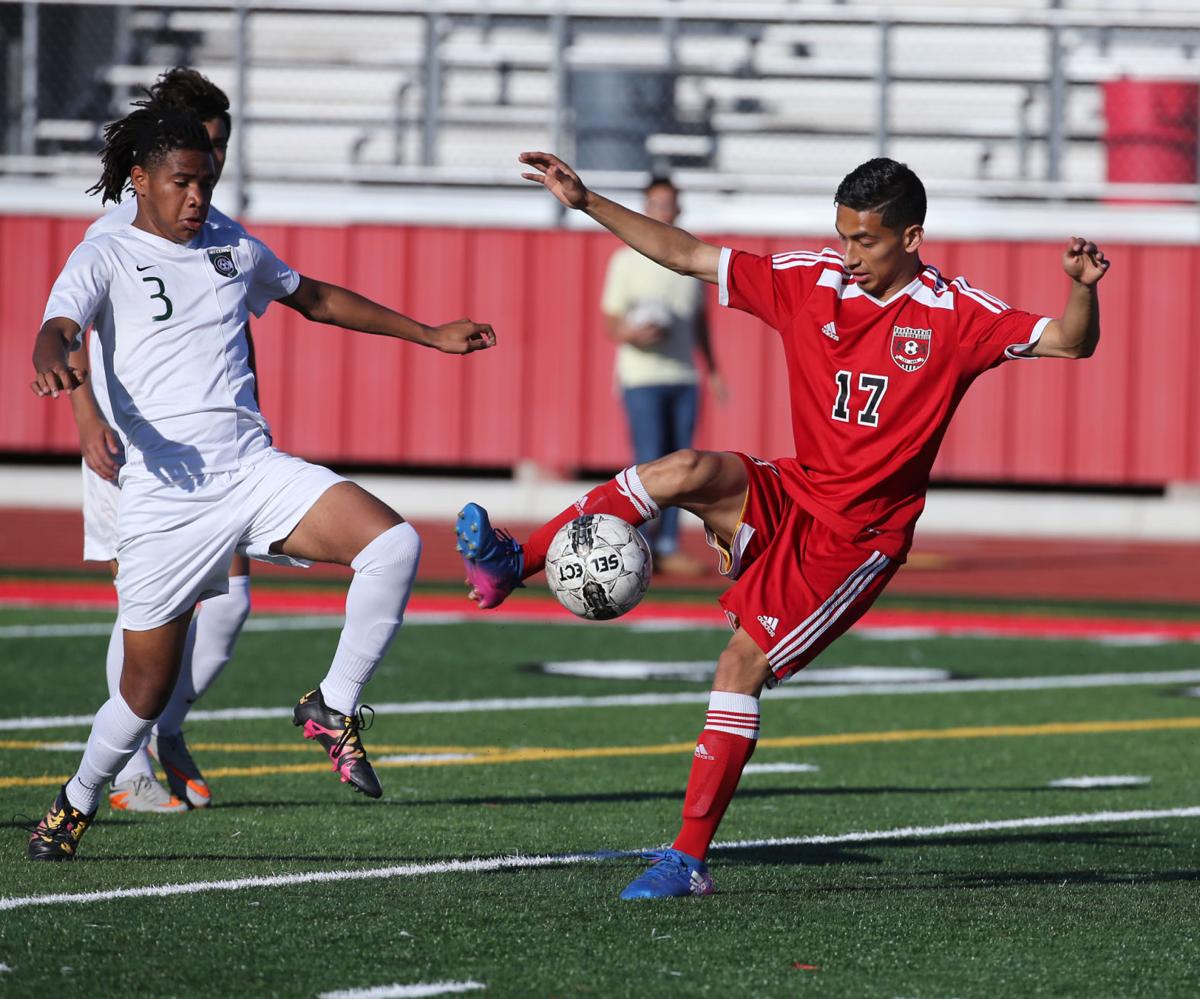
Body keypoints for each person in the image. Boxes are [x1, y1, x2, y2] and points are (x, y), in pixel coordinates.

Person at [457, 150, 1107, 899]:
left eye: (865, 241)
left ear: (911, 238)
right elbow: (688, 255)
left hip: (854, 539)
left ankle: (687, 860)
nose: (848, 255)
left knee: (739, 667)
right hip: (794, 489)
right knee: (683, 468)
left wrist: (1080, 287)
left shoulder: (955, 314)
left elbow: (1071, 340)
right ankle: (513, 563)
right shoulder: (811, 281)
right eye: (842, 235)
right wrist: (587, 201)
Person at [26, 104, 495, 861]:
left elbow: (316, 299)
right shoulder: (105, 253)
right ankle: (75, 800)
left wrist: (429, 334)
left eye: (206, 183)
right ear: (140, 180)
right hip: (167, 498)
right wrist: (50, 355)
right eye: (182, 182)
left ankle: (332, 703)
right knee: (142, 694)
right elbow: (61, 326)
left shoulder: (231, 246)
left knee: (394, 545)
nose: (197, 197)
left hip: (251, 470)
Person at [69, 67, 251, 814]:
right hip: (132, 450)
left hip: (216, 455)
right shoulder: (118, 229)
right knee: (145, 608)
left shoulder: (218, 231)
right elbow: (70, 324)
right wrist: (87, 418)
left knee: (232, 600)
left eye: (221, 147)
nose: (212, 163)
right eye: (202, 144)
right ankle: (127, 767)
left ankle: (166, 726)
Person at [601, 176, 724, 576]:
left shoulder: (689, 257)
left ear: (678, 209)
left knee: (683, 465)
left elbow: (700, 323)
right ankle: (639, 544)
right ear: (646, 207)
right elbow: (611, 320)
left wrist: (712, 368)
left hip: (683, 376)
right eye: (656, 204)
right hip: (642, 378)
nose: (663, 211)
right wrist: (633, 334)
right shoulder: (625, 261)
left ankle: (668, 544)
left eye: (669, 204)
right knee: (650, 461)